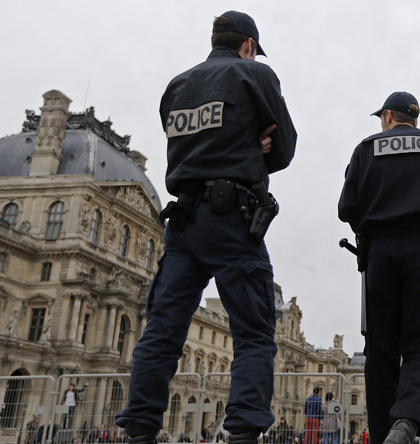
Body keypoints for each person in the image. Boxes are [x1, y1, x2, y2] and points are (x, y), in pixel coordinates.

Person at [114, 10, 296, 444]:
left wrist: (236, 142)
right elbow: (284, 149)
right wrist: (254, 147)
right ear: (248, 45)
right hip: (233, 219)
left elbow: (188, 146)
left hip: (184, 221)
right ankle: (244, 432)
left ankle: (138, 430)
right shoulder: (256, 74)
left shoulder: (177, 85)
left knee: (161, 331)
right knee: (253, 333)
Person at [338, 91, 420, 444]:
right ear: (414, 118)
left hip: (379, 254)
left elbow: (347, 207)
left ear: (386, 117)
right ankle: (408, 420)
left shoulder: (366, 149)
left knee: (380, 350)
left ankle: (386, 434)